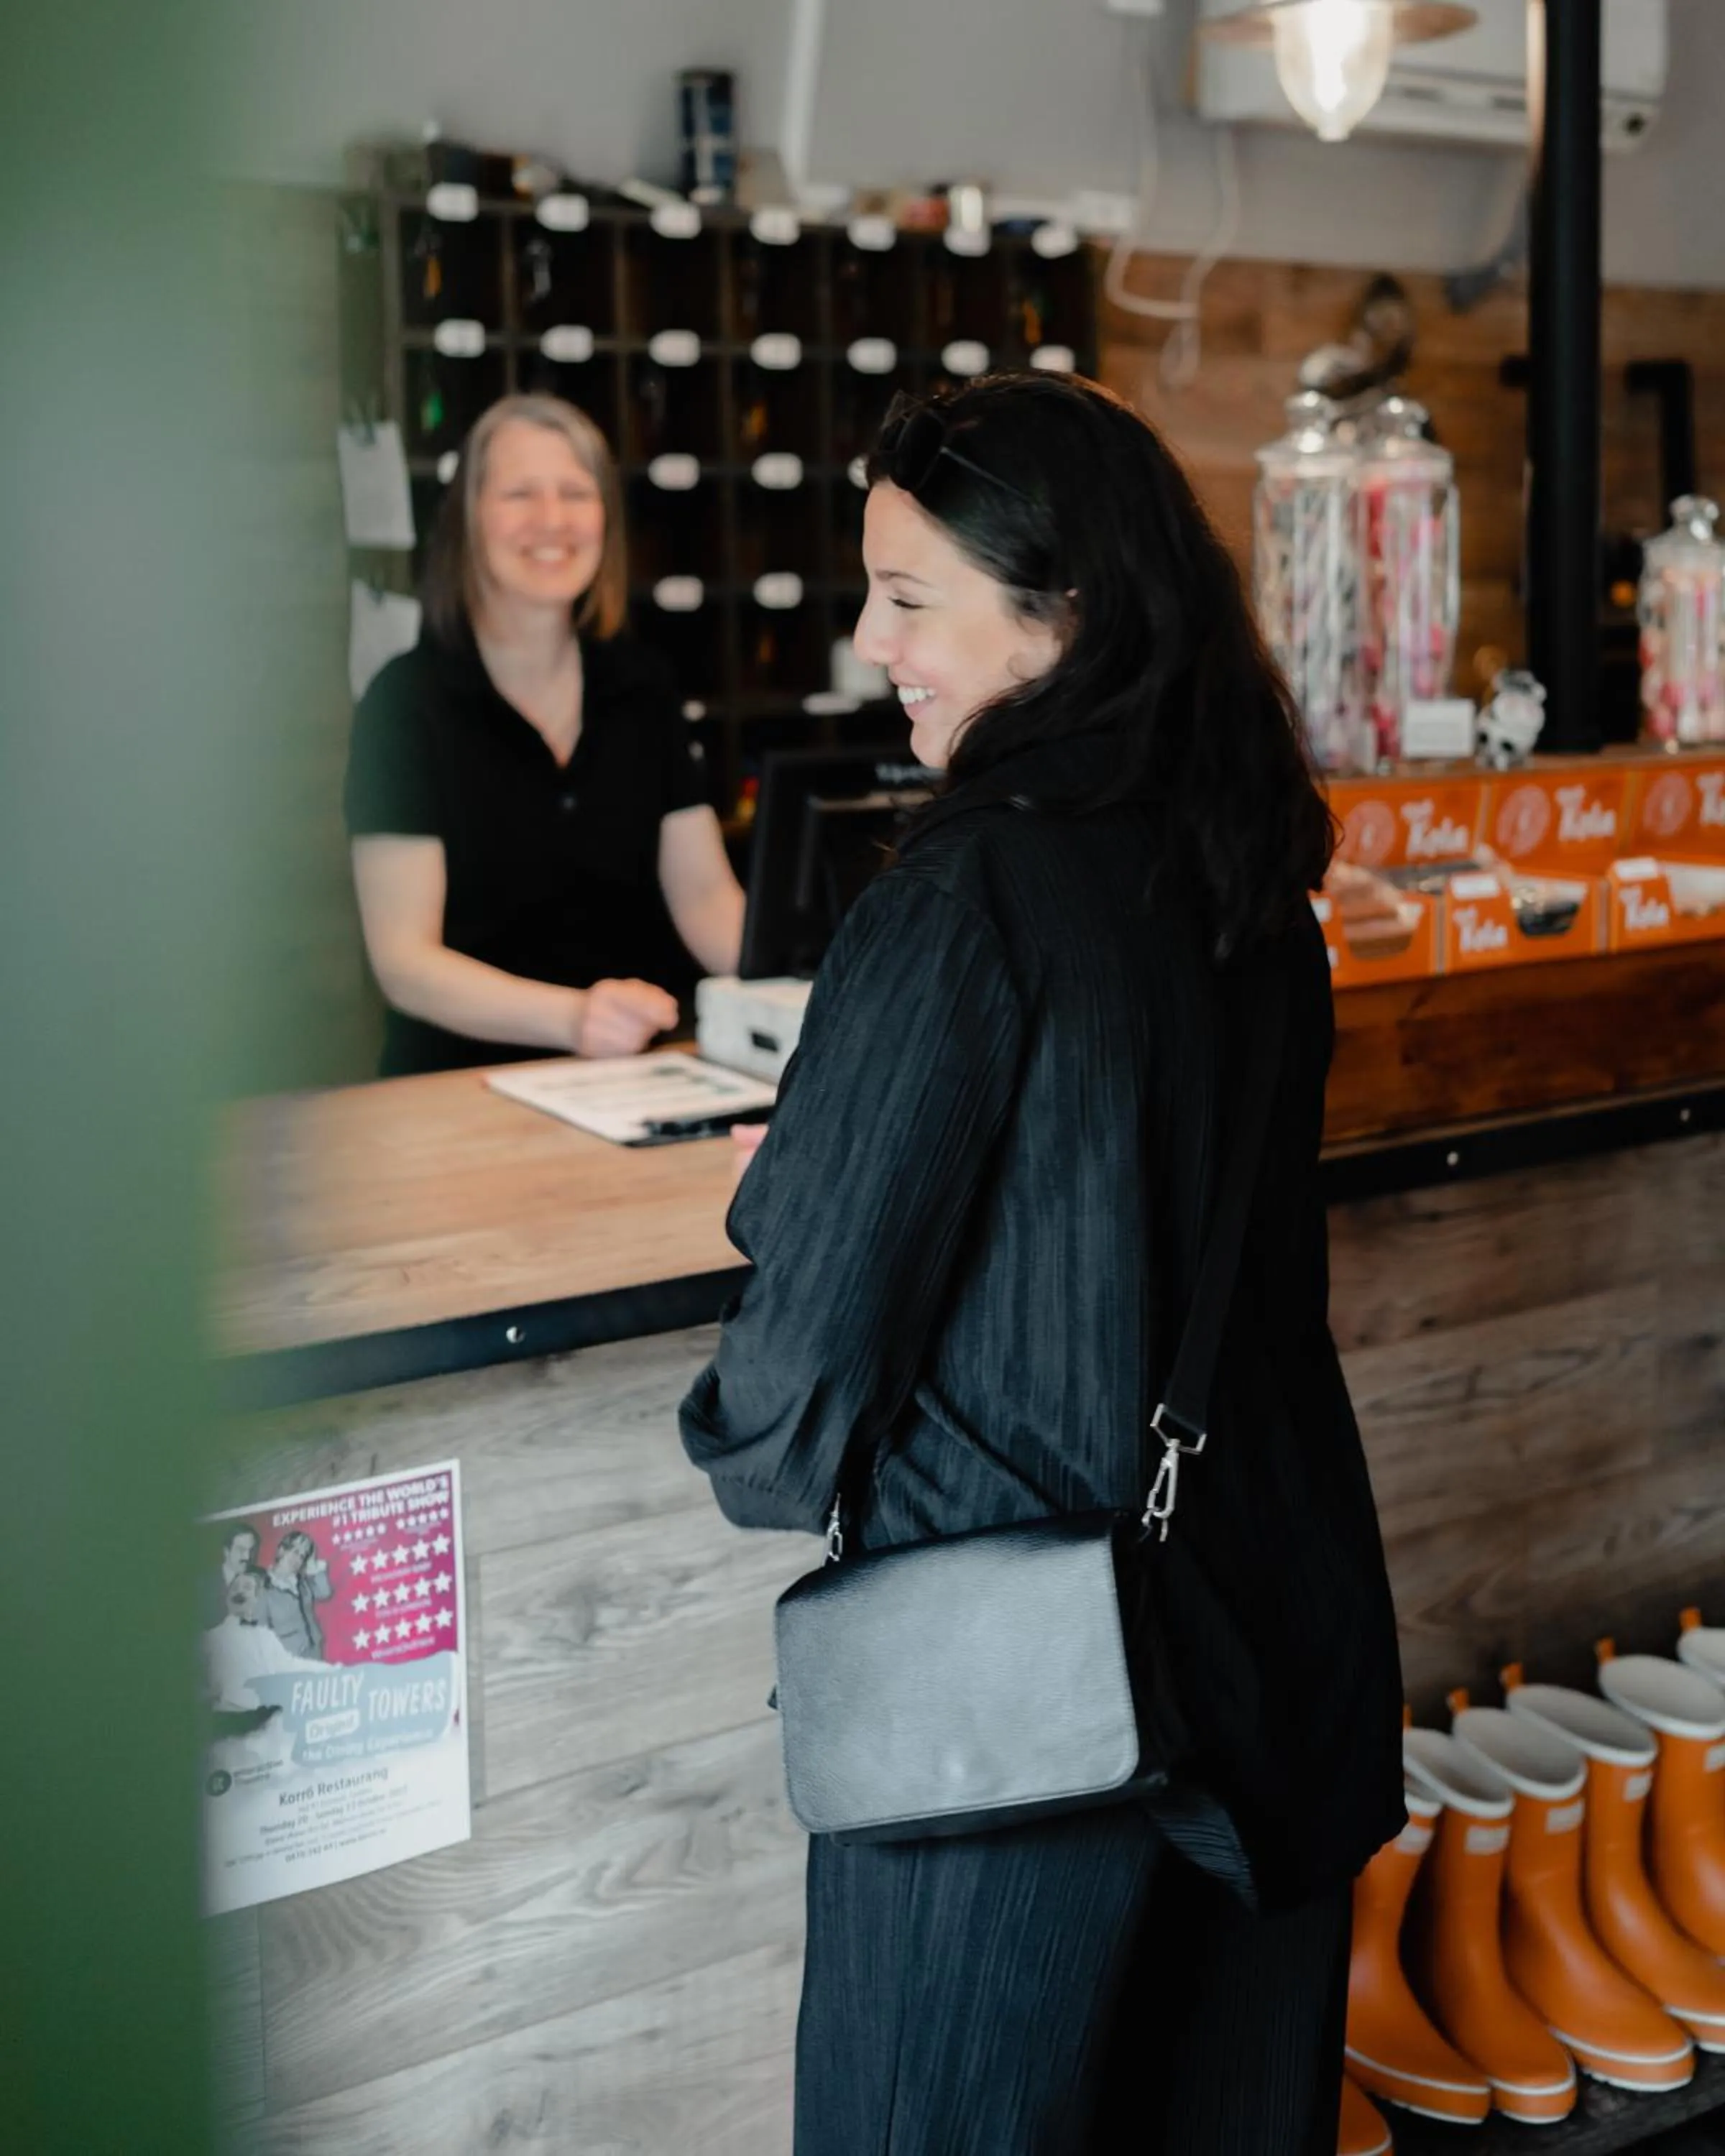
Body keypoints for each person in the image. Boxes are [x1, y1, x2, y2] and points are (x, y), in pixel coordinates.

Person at [678, 374, 1404, 2155]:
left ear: (1060, 606)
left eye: (908, 597)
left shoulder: (959, 904)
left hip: (1003, 1732)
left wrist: (746, 1373)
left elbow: (786, 1412)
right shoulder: (1250, 877)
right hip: (1265, 1659)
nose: (869, 643)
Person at [345, 394, 746, 1077]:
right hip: (458, 1086)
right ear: (468, 519)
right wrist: (573, 1017)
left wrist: (826, 982)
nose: (552, 520)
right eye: (520, 494)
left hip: (635, 1077)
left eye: (575, 493)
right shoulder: (406, 703)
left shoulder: (642, 686)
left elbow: (707, 903)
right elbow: (404, 962)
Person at [203, 1567, 331, 1715]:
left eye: (247, 1588)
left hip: (264, 1719)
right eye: (235, 1588)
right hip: (229, 1721)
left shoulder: (265, 1637)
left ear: (257, 1598)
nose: (239, 1592)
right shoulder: (212, 1639)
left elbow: (289, 1665)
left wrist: (329, 1671)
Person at [261, 1528, 333, 1658]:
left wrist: (312, 1564)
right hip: (288, 1658)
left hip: (314, 1652)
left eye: (302, 1556)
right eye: (295, 1552)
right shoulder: (263, 1586)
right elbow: (261, 1631)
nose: (298, 1560)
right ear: (282, 1550)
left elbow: (324, 1592)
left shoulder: (302, 1582)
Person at [207, 1523, 260, 1629]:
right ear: (226, 1551)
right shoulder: (206, 1585)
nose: (247, 1557)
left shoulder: (260, 1577)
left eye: (251, 1550)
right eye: (241, 1550)